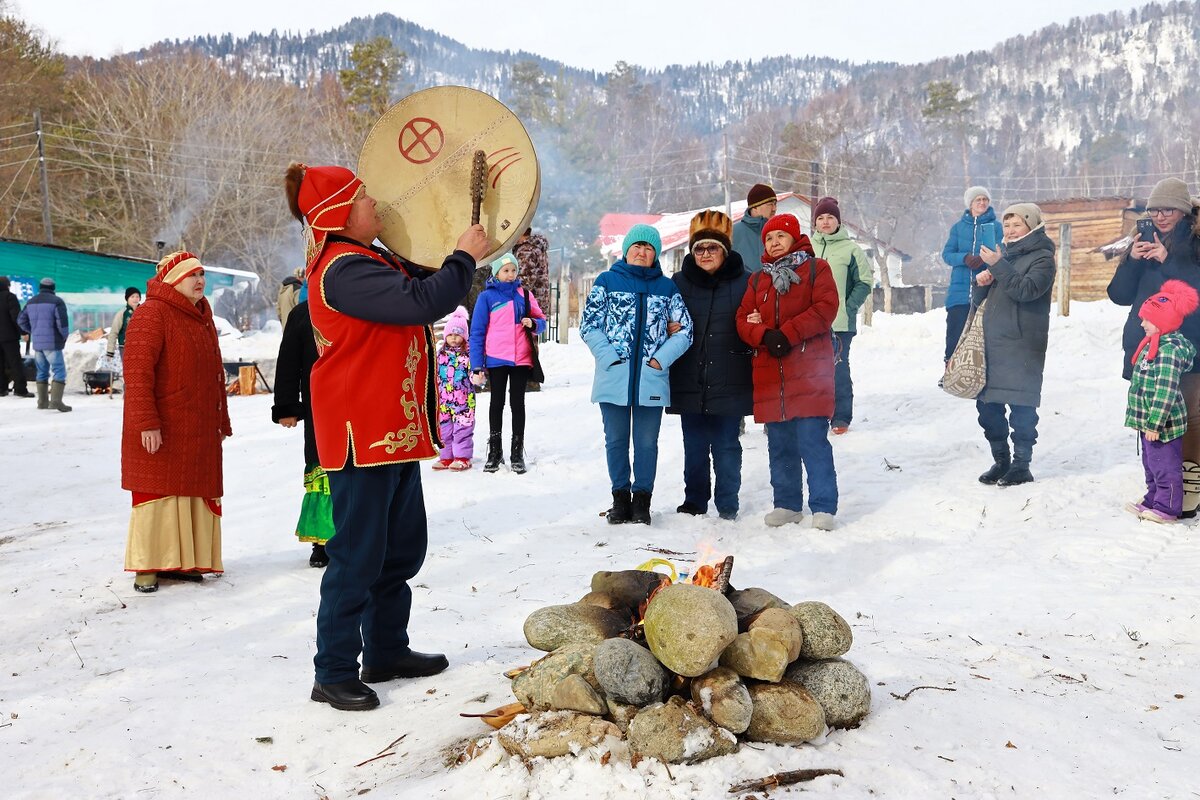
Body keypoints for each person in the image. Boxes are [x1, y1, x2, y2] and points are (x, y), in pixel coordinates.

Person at [284, 161, 489, 712]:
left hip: (390, 433)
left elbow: (421, 283)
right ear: (340, 214)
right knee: (356, 558)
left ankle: (386, 650)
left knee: (399, 550)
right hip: (362, 434)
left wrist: (450, 247)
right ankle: (332, 672)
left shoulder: (369, 258)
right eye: (365, 197)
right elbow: (425, 301)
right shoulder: (342, 268)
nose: (376, 205)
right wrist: (463, 255)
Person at [122, 252, 231, 594]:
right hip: (163, 422)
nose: (199, 281)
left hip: (197, 423)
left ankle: (184, 562)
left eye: (202, 274)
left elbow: (214, 374)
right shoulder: (151, 313)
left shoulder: (201, 315)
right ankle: (148, 567)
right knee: (159, 493)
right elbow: (138, 373)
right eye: (191, 275)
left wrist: (220, 420)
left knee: (193, 491)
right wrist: (146, 422)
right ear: (173, 280)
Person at [581, 223, 693, 525]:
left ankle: (642, 501)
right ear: (626, 250)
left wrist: (659, 360)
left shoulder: (666, 288)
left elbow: (685, 332)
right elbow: (589, 325)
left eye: (648, 248)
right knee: (615, 441)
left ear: (655, 254)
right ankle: (620, 498)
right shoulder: (606, 281)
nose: (642, 252)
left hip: (650, 378)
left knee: (646, 443)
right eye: (637, 247)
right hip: (613, 375)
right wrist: (610, 358)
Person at [736, 213, 839, 530]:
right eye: (768, 238)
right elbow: (742, 319)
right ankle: (788, 504)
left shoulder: (815, 269)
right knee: (779, 445)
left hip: (809, 371)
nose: (774, 242)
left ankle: (823, 506)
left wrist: (787, 333)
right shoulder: (758, 280)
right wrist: (765, 336)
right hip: (771, 375)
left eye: (780, 236)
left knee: (812, 441)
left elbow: (825, 308)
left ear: (795, 238)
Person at [1108, 177, 1200, 516]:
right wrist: (1132, 258)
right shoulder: (1142, 239)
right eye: (1155, 210)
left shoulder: (1195, 241)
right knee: (1152, 416)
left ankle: (1189, 483)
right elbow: (1118, 295)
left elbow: (1195, 294)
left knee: (1187, 415)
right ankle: (1161, 487)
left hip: (1186, 345)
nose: (1160, 216)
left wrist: (1170, 261)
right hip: (1146, 344)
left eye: (1168, 210)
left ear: (1183, 211)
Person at [668, 210, 752, 520]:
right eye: (699, 248)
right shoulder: (678, 283)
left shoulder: (747, 282)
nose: (705, 254)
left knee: (727, 446)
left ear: (725, 250)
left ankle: (728, 503)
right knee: (694, 446)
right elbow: (664, 319)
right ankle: (695, 500)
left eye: (712, 248)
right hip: (689, 377)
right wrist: (667, 327)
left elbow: (757, 321)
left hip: (730, 377)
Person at [974, 203, 1057, 486]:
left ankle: (1022, 465)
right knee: (988, 407)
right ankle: (1001, 460)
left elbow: (1026, 290)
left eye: (1016, 225)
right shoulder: (1005, 256)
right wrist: (983, 281)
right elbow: (982, 303)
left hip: (1022, 345)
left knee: (1022, 407)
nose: (1010, 231)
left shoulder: (1043, 258)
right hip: (993, 344)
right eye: (1006, 226)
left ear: (1031, 226)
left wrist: (998, 266)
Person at [1125, 280, 1199, 523]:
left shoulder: (1168, 352)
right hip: (1150, 422)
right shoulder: (1153, 345)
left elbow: (1165, 391)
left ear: (1163, 322)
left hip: (1162, 424)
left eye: (1147, 319)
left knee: (1166, 465)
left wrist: (1155, 423)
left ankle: (1167, 508)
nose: (1142, 323)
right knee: (1151, 462)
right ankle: (1153, 498)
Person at [272, 283, 333, 568]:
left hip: (358, 405)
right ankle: (322, 541)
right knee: (321, 466)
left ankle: (354, 536)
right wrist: (286, 406)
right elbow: (288, 364)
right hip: (318, 407)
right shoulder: (302, 314)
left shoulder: (359, 305)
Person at [811, 197, 872, 434]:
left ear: (838, 221)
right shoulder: (807, 248)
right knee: (811, 369)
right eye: (821, 218)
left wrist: (848, 306)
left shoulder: (851, 249)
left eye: (830, 217)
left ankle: (841, 417)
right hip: (810, 321)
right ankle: (815, 414)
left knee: (837, 368)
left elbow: (864, 282)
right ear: (815, 222)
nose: (825, 222)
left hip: (840, 322)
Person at [941, 187, 1003, 369]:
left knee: (983, 337)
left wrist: (986, 260)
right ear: (970, 204)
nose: (982, 203)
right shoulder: (958, 228)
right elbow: (947, 255)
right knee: (954, 333)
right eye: (978, 200)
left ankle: (981, 372)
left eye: (985, 199)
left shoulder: (996, 227)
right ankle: (950, 370)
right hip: (959, 293)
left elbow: (1002, 252)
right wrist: (965, 258)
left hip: (986, 291)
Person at [17, 277, 72, 412]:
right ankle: (56, 402)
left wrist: (34, 331)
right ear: (53, 288)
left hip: (38, 343)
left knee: (42, 371)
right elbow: (62, 324)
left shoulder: (31, 302)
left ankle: (42, 402)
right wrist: (64, 337)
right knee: (58, 370)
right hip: (52, 343)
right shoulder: (57, 302)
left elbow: (20, 320)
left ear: (41, 287)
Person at [435, 306, 476, 471]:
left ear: (464, 336)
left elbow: (474, 372)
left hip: (464, 401)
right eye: (450, 334)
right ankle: (446, 457)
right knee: (444, 430)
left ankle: (462, 457)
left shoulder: (468, 355)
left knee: (462, 429)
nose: (453, 338)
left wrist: (477, 377)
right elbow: (434, 373)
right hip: (444, 400)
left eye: (457, 334)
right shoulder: (440, 354)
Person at [732, 183, 778, 272]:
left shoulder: (778, 232)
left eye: (775, 204)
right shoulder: (734, 233)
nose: (774, 208)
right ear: (755, 207)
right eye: (770, 204)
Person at [0, 276, 33, 398]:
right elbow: (16, 317)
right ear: (7, 286)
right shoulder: (10, 297)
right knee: (15, 363)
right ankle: (20, 389)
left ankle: (1, 389)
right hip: (9, 337)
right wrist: (23, 332)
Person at [513, 228, 551, 321]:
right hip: (538, 301)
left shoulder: (526, 250)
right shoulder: (537, 247)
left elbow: (524, 281)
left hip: (527, 305)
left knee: (524, 334)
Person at [105, 287, 142, 361]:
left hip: (142, 347)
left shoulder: (144, 312)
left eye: (137, 297)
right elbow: (114, 332)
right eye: (132, 297)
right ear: (127, 299)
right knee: (129, 370)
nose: (135, 299)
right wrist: (110, 351)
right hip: (125, 347)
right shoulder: (122, 313)